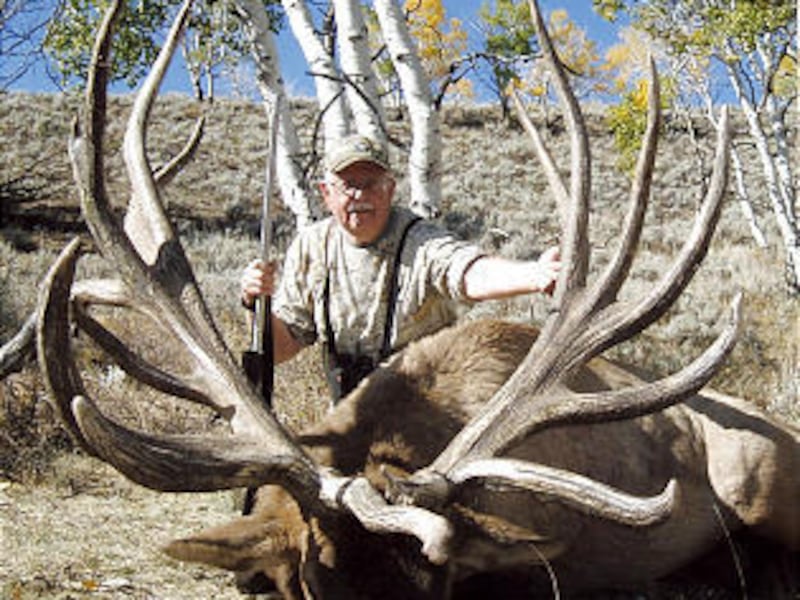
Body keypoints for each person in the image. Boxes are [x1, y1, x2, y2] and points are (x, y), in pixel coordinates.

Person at [241, 134, 561, 402]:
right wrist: (257, 305)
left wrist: (534, 274)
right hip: (350, 412)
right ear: (326, 193)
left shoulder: (419, 240)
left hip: (430, 408)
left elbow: (467, 271)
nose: (360, 195)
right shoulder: (311, 247)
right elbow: (281, 349)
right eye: (348, 184)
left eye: (371, 184)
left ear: (390, 189)